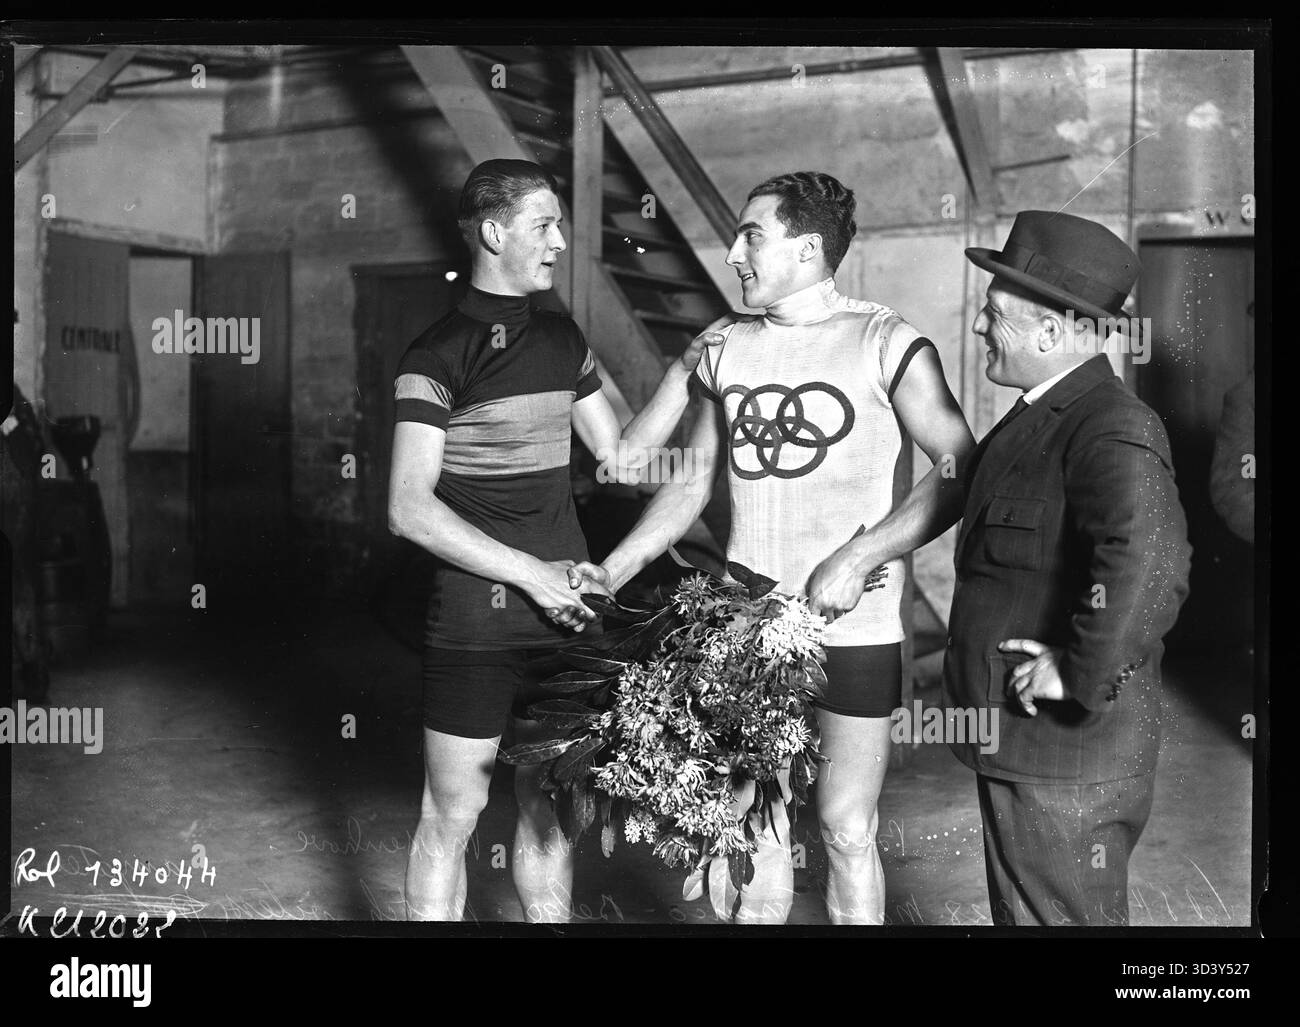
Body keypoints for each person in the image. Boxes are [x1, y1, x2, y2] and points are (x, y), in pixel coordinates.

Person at [568, 171, 974, 924]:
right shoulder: (726, 348)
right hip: (743, 630)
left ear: (810, 249)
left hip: (854, 631)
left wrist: (858, 557)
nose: (733, 253)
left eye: (752, 234)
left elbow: (959, 466)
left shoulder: (887, 339)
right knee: (753, 824)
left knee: (847, 827)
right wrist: (613, 568)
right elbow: (688, 486)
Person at [389, 158, 723, 921]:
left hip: (569, 622)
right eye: (544, 224)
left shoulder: (562, 338)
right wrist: (533, 574)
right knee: (453, 815)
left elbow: (621, 457)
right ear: (495, 230)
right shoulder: (434, 357)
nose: (560, 241)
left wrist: (685, 368)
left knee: (550, 812)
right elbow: (408, 507)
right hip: (475, 624)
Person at [946, 210, 1192, 926]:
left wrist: (1075, 670)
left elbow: (1153, 564)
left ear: (1051, 334)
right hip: (1030, 750)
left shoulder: (1109, 424)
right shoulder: (1044, 414)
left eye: (993, 315)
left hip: (1066, 757)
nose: (979, 328)